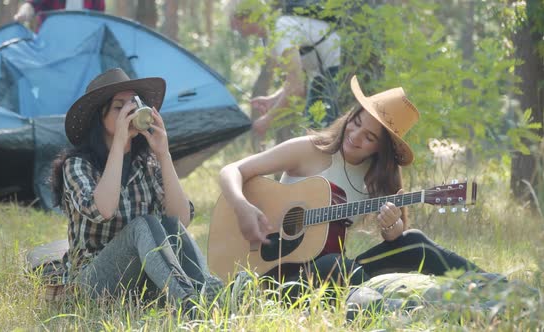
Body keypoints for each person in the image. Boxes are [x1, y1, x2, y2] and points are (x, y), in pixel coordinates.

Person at [218, 75, 486, 297]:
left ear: (383, 149)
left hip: (328, 269)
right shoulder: (308, 150)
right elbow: (232, 170)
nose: (355, 137)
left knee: (413, 242)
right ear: (349, 117)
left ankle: (493, 288)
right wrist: (242, 207)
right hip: (277, 273)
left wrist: (393, 228)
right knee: (340, 268)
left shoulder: (379, 179)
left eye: (369, 137)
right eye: (355, 123)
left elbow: (396, 239)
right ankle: (379, 298)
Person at [50, 68, 222, 312]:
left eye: (133, 105)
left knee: (169, 225)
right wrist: (119, 144)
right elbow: (103, 211)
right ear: (100, 118)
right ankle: (190, 303)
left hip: (142, 282)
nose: (129, 113)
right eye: (119, 107)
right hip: (92, 283)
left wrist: (164, 154)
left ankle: (211, 294)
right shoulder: (77, 165)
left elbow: (181, 220)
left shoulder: (147, 165)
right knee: (144, 224)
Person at [227, 0, 341, 140]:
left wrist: (268, 120)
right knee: (312, 133)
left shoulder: (280, 29)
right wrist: (273, 99)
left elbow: (296, 87)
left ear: (246, 17)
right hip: (319, 77)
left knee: (320, 135)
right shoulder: (270, 38)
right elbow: (298, 80)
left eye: (234, 21)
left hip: (337, 69)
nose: (233, 28)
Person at [14, 0, 105, 32]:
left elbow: (99, 18)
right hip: (50, 44)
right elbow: (32, 4)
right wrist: (23, 13)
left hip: (82, 46)